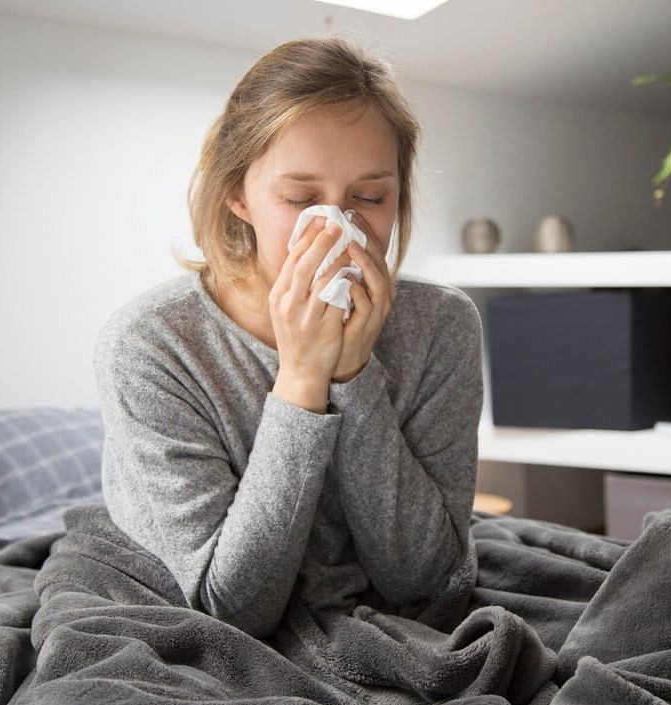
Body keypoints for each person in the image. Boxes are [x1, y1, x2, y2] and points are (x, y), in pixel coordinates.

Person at [94, 37, 484, 640]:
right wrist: (303, 379)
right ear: (236, 193)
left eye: (371, 197)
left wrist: (355, 378)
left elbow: (427, 582)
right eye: (300, 198)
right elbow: (232, 609)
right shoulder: (152, 345)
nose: (339, 226)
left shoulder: (441, 325)